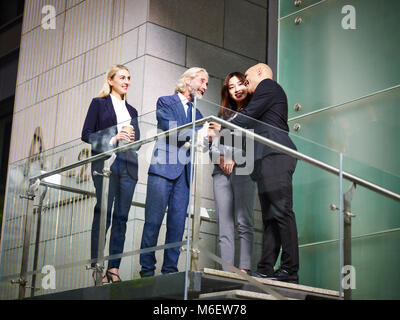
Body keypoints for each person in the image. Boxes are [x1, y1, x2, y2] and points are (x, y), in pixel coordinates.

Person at [210, 63, 299, 283]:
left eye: (246, 77)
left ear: (259, 72)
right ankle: (266, 268)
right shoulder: (265, 93)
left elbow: (247, 116)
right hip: (264, 158)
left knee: (282, 211)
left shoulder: (268, 86)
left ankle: (290, 269)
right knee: (270, 217)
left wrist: (222, 127)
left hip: (276, 154)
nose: (245, 81)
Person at [139, 67, 209, 277]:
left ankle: (170, 271)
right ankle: (147, 271)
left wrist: (206, 136)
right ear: (188, 80)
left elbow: (202, 144)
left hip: (185, 174)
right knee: (153, 222)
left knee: (177, 226)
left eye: (207, 84)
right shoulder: (165, 102)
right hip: (163, 170)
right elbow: (171, 128)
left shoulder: (198, 114)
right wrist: (199, 133)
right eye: (202, 81)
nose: (205, 87)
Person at [81, 64, 140, 284]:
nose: (126, 81)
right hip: (105, 165)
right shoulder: (99, 104)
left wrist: (133, 140)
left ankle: (114, 268)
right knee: (103, 214)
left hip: (128, 166)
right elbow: (86, 134)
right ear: (111, 80)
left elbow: (138, 140)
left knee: (121, 218)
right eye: (122, 77)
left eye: (129, 77)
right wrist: (114, 137)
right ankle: (98, 266)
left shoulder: (132, 111)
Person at [209, 72, 256, 274]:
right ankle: (227, 270)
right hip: (220, 173)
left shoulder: (253, 113)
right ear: (227, 91)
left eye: (239, 84)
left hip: (244, 170)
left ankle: (244, 268)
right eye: (231, 86)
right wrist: (221, 159)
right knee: (224, 223)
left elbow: (252, 144)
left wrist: (233, 157)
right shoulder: (222, 117)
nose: (236, 89)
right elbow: (212, 145)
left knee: (243, 220)